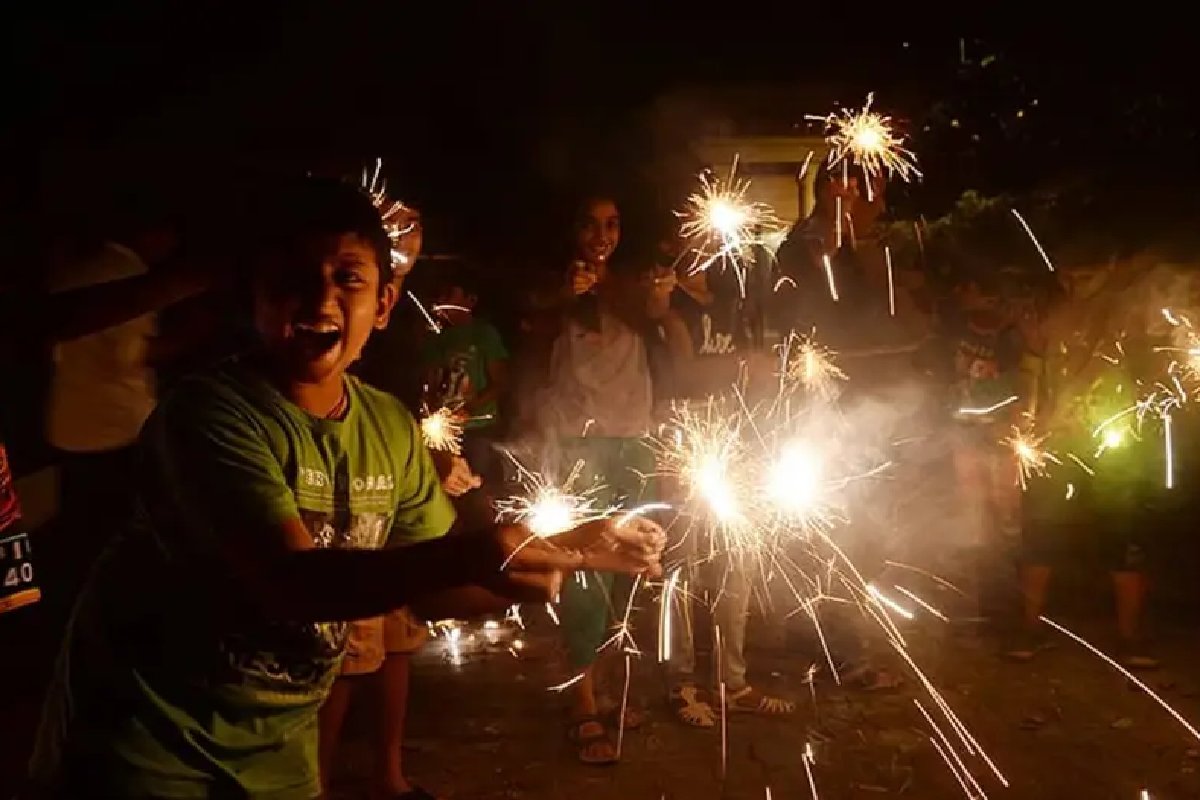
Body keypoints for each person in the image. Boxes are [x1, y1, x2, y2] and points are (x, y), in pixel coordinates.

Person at [27, 177, 665, 799]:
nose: (320, 299)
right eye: (292, 281)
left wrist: (569, 550)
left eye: (347, 278)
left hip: (276, 755)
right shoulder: (208, 415)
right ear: (254, 299)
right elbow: (289, 583)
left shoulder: (387, 427)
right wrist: (475, 552)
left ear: (384, 304)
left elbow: (432, 593)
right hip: (141, 750)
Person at [535, 194, 661, 765]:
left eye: (612, 223)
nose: (600, 234)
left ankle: (605, 689)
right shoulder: (553, 289)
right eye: (589, 223)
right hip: (580, 442)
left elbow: (660, 326)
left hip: (632, 439)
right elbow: (528, 341)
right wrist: (565, 296)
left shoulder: (631, 290)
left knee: (627, 568)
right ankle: (582, 703)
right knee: (584, 571)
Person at [1006, 257, 1159, 668]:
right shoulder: (1049, 314)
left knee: (1123, 539)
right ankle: (1029, 629)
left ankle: (1131, 637)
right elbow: (1031, 369)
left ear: (1108, 267)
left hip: (1115, 446)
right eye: (1069, 270)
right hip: (1057, 443)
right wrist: (1029, 418)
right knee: (1039, 537)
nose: (1073, 278)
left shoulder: (1126, 315)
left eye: (1085, 270)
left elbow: (1155, 363)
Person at [43, 208, 180, 613]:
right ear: (154, 233)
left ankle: (72, 615)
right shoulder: (127, 277)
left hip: (70, 425)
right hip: (114, 432)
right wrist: (191, 335)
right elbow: (127, 356)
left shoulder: (84, 267)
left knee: (79, 534)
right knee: (115, 540)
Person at [423, 269, 510, 490]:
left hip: (479, 428)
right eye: (441, 296)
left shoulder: (484, 334)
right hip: (445, 433)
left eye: (450, 295)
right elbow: (432, 381)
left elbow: (500, 381)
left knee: (477, 488)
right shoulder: (439, 339)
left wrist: (471, 408)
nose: (442, 302)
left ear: (470, 301)